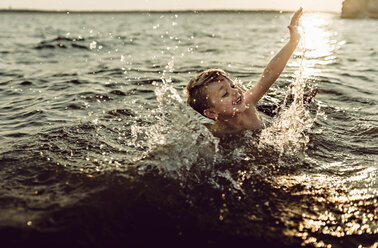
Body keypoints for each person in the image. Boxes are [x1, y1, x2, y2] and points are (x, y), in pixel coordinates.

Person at [185, 8, 316, 137]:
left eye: (232, 86)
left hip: (267, 115)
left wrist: (293, 42)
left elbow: (269, 73)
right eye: (225, 94)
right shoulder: (215, 133)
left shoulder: (248, 104)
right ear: (212, 113)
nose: (235, 91)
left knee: (286, 109)